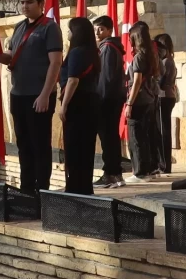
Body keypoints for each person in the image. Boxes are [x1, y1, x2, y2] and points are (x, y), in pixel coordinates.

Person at [0, 0, 61, 194]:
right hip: (18, 94)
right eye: (22, 2)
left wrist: (45, 94)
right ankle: (26, 190)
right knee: (23, 145)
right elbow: (10, 56)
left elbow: (55, 62)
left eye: (30, 2)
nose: (25, 6)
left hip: (39, 96)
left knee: (40, 146)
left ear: (41, 4)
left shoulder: (49, 28)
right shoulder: (19, 27)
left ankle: (41, 190)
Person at [59, 17, 101, 195]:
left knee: (74, 148)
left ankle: (74, 188)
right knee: (86, 148)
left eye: (69, 30)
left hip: (77, 103)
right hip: (91, 102)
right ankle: (85, 188)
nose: (68, 33)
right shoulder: (93, 51)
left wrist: (64, 105)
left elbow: (73, 80)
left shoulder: (77, 52)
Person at [124, 22, 162, 184]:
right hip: (150, 99)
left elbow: (137, 80)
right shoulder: (152, 54)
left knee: (136, 136)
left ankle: (140, 172)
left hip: (139, 100)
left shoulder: (139, 56)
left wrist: (129, 103)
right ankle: (149, 169)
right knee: (146, 135)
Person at [92, 16, 126, 189]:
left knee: (107, 138)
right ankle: (116, 173)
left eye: (101, 29)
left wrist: (100, 99)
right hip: (115, 98)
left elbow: (105, 78)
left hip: (107, 99)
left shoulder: (107, 48)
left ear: (109, 30)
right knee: (111, 136)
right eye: (96, 29)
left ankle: (110, 174)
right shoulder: (114, 47)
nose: (98, 32)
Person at [155, 34, 179, 174]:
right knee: (164, 130)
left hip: (164, 96)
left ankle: (164, 164)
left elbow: (161, 82)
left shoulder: (165, 61)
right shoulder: (169, 60)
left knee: (163, 130)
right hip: (168, 96)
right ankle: (164, 163)